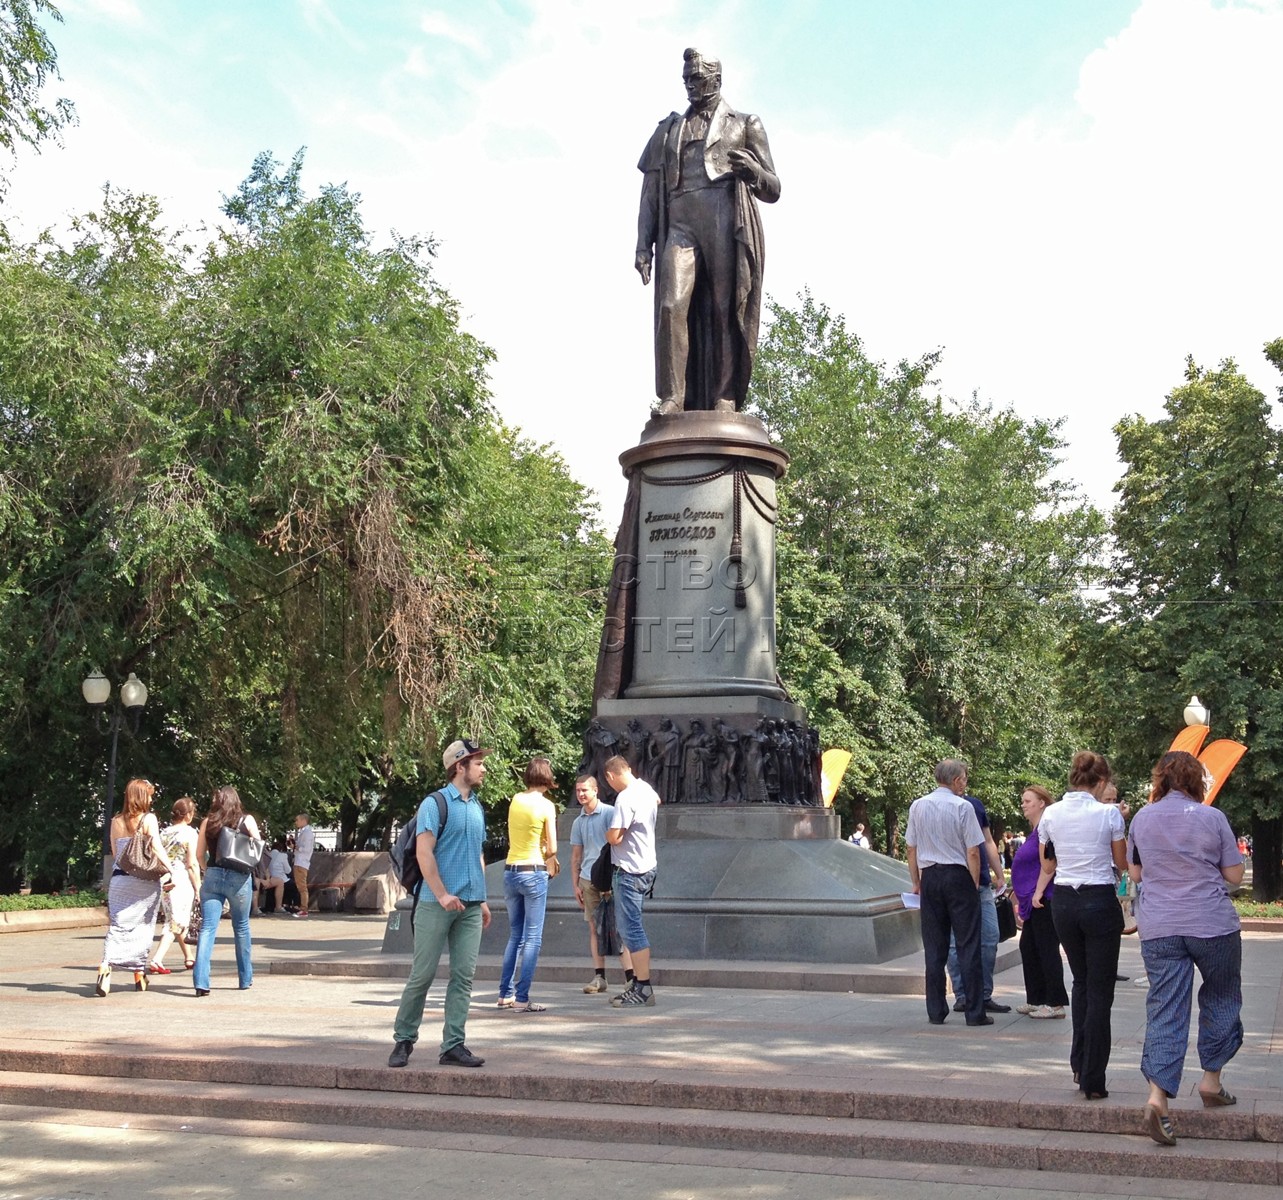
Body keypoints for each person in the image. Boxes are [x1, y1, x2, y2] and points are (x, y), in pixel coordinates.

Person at [636, 47, 780, 415]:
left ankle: (725, 395)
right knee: (671, 304)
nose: (690, 86)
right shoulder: (669, 129)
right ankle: (672, 397)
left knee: (724, 308)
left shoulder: (746, 124)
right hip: (680, 223)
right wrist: (643, 244)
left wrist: (753, 173)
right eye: (686, 79)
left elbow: (773, 189)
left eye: (697, 79)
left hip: (723, 218)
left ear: (717, 79)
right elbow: (651, 190)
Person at [1129, 750, 1244, 1147]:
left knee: (1165, 1006)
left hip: (1159, 926)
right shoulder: (1213, 818)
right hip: (1212, 924)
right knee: (1222, 994)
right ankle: (1211, 1081)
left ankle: (1157, 1097)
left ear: (1159, 780)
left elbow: (1136, 873)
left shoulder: (1142, 818)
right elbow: (1234, 874)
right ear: (1196, 781)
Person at [388, 738, 493, 1069]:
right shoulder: (434, 804)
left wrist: (484, 898)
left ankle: (453, 1045)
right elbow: (423, 852)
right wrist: (443, 892)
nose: (483, 768)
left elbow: (477, 853)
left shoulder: (476, 807)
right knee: (423, 974)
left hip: (471, 906)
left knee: (464, 976)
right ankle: (404, 1040)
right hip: (436, 903)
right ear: (459, 766)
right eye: (478, 762)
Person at [1032, 751, 1126, 1099]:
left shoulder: (1051, 814)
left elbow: (1047, 863)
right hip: (1098, 899)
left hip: (1065, 903)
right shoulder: (1109, 815)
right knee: (1101, 989)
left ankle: (1078, 1062)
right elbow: (1121, 862)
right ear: (1101, 781)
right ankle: (1093, 1076)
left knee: (1081, 982)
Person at [905, 760, 988, 1027]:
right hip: (958, 875)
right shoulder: (963, 807)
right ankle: (974, 1012)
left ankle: (936, 1010)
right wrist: (973, 882)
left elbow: (911, 847)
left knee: (934, 946)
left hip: (930, 876)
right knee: (968, 943)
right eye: (964, 778)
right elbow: (973, 850)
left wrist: (916, 882)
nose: (965, 783)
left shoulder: (918, 805)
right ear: (955, 781)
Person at [95, 778, 171, 996]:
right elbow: (156, 847)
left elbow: (116, 853)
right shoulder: (149, 819)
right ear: (141, 796)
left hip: (120, 880)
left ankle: (105, 966)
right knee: (144, 926)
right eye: (149, 794)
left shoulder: (115, 821)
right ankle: (138, 974)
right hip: (145, 882)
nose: (151, 798)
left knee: (118, 926)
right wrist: (169, 870)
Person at [497, 757, 559, 1013]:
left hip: (510, 871)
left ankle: (505, 994)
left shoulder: (515, 800)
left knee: (515, 936)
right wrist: (549, 855)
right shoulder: (546, 806)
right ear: (546, 778)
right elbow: (553, 847)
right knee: (533, 938)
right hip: (534, 872)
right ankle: (523, 998)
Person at [603, 755, 660, 1008]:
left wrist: (608, 832)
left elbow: (615, 837)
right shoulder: (646, 789)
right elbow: (658, 799)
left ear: (610, 776)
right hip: (646, 865)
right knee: (630, 927)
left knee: (631, 928)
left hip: (629, 870)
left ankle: (644, 987)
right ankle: (637, 983)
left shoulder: (625, 798)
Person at [947, 791, 1010, 1016]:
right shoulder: (937, 806)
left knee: (990, 937)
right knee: (955, 942)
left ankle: (983, 994)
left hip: (982, 883)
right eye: (961, 778)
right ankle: (962, 995)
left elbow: (987, 841)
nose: (964, 783)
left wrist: (999, 874)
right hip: (955, 882)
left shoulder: (975, 805)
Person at [192, 786, 260, 996]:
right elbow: (257, 848)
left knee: (208, 929)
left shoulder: (207, 822)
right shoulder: (246, 820)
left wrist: (207, 870)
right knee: (241, 927)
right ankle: (245, 978)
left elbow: (198, 854)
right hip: (238, 878)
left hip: (213, 876)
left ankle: (201, 983)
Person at [570, 773, 634, 993]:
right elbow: (576, 855)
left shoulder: (609, 813)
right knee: (594, 928)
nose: (580, 794)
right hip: (588, 879)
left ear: (595, 790)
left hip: (610, 877)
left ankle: (630, 977)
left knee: (618, 928)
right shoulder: (578, 821)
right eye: (578, 790)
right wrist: (575, 884)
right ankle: (599, 977)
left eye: (584, 790)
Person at [1010, 785, 1067, 1019]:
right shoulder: (1036, 829)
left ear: (1042, 802)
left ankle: (1055, 1003)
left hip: (1044, 897)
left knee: (1046, 948)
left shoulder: (1048, 827)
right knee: (1029, 946)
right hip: (1032, 899)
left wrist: (1038, 892)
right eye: (1023, 800)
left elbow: (1050, 863)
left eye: (1028, 801)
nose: (1023, 804)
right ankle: (1036, 998)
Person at [148, 796, 200, 975]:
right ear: (187, 815)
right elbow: (192, 863)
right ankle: (157, 959)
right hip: (181, 879)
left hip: (164, 878)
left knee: (175, 917)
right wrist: (198, 886)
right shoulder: (190, 833)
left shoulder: (164, 832)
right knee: (175, 922)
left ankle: (189, 957)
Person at [256, 837, 291, 915]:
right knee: (257, 881)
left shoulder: (266, 854)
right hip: (255, 878)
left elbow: (267, 869)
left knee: (280, 881)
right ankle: (255, 908)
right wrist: (262, 880)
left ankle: (278, 907)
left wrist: (268, 879)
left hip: (264, 878)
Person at [292, 812, 315, 918]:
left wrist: (297, 848)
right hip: (299, 862)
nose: (296, 822)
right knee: (300, 886)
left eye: (297, 820)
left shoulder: (308, 833)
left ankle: (304, 909)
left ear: (303, 820)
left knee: (302, 887)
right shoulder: (304, 832)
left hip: (302, 862)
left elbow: (307, 849)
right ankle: (302, 908)